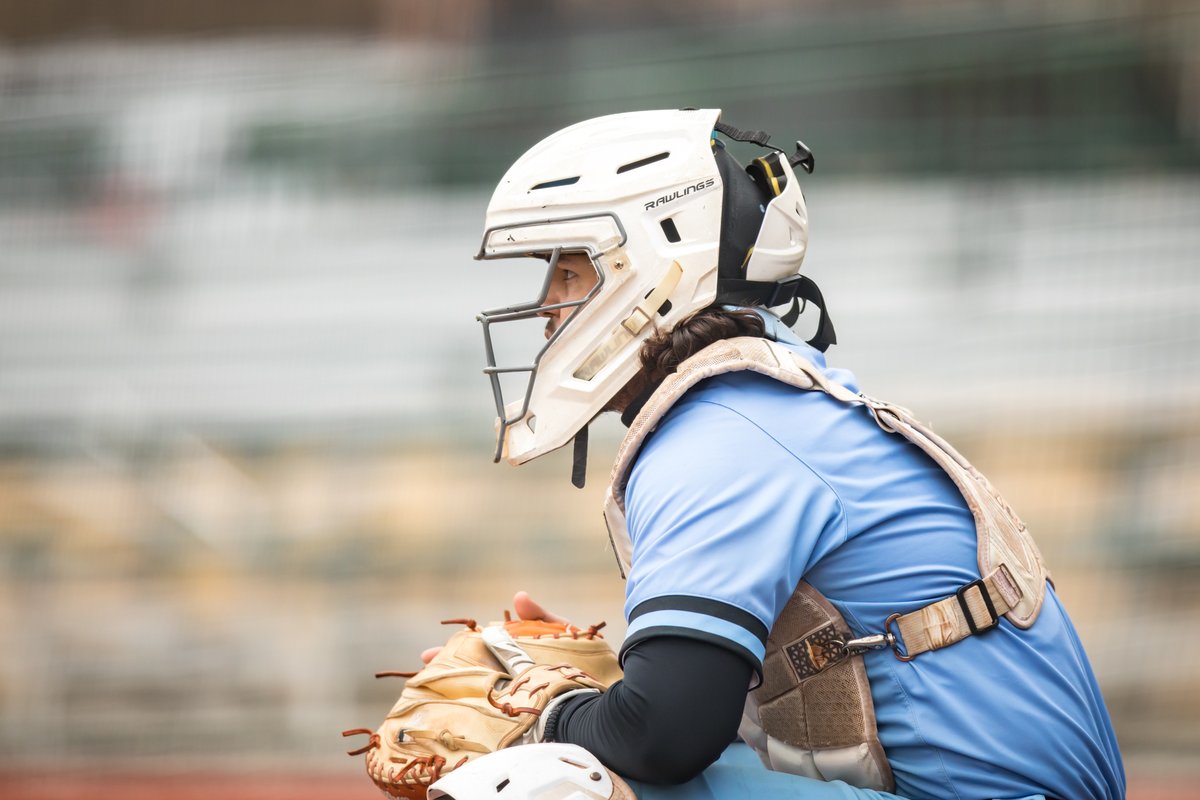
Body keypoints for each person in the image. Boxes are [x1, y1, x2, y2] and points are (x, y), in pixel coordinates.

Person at [470, 108, 1125, 800]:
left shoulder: (718, 438)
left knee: (544, 783)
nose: (546, 306)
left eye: (570, 273)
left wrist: (547, 717)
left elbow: (664, 737)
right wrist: (597, 688)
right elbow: (707, 720)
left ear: (656, 267)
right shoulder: (756, 409)